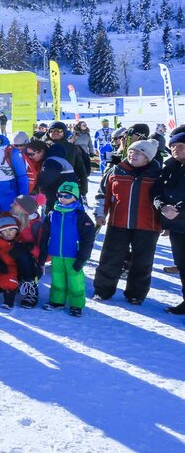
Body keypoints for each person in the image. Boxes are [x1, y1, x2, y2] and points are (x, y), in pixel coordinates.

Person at [94, 139, 162, 305]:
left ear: (148, 157)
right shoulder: (117, 170)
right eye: (131, 151)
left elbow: (165, 198)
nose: (133, 155)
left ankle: (136, 294)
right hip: (118, 223)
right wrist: (100, 213)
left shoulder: (157, 174)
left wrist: (167, 224)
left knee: (142, 261)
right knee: (110, 257)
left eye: (138, 153)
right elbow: (103, 193)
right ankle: (102, 290)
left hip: (148, 226)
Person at [40, 183, 96, 317]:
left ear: (75, 198)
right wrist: (43, 254)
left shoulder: (80, 216)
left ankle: (76, 304)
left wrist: (82, 258)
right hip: (56, 254)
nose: (62, 198)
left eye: (67, 196)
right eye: (60, 195)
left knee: (75, 281)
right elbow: (44, 235)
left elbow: (88, 239)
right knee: (57, 278)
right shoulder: (52, 214)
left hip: (73, 255)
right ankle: (57, 301)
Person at [153, 129, 185, 314]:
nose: (176, 149)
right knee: (182, 264)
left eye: (181, 146)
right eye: (173, 146)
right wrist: (162, 206)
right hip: (177, 227)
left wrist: (178, 209)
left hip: (178, 218)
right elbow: (156, 190)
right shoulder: (169, 167)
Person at [47, 121, 91, 198]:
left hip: (67, 187)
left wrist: (83, 189)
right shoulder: (44, 147)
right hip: (48, 187)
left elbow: (81, 169)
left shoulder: (72, 148)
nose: (55, 132)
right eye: (52, 130)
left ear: (64, 132)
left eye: (59, 130)